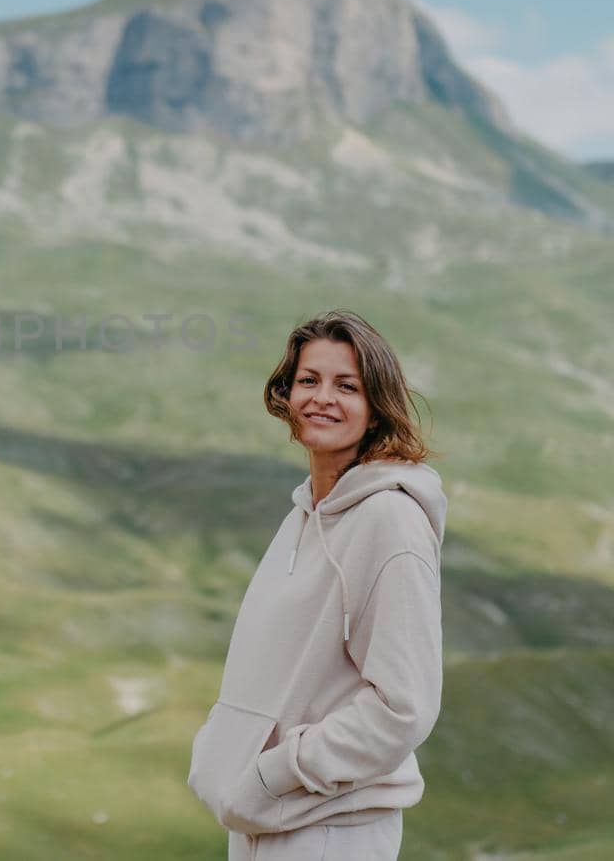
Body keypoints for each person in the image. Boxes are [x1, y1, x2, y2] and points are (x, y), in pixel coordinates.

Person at [187, 309, 445, 860]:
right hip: (265, 824)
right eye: (309, 380)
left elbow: (404, 706)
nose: (322, 397)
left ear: (376, 409)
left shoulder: (390, 523)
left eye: (346, 386)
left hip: (331, 831)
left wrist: (277, 772)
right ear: (286, 394)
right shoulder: (305, 514)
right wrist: (225, 755)